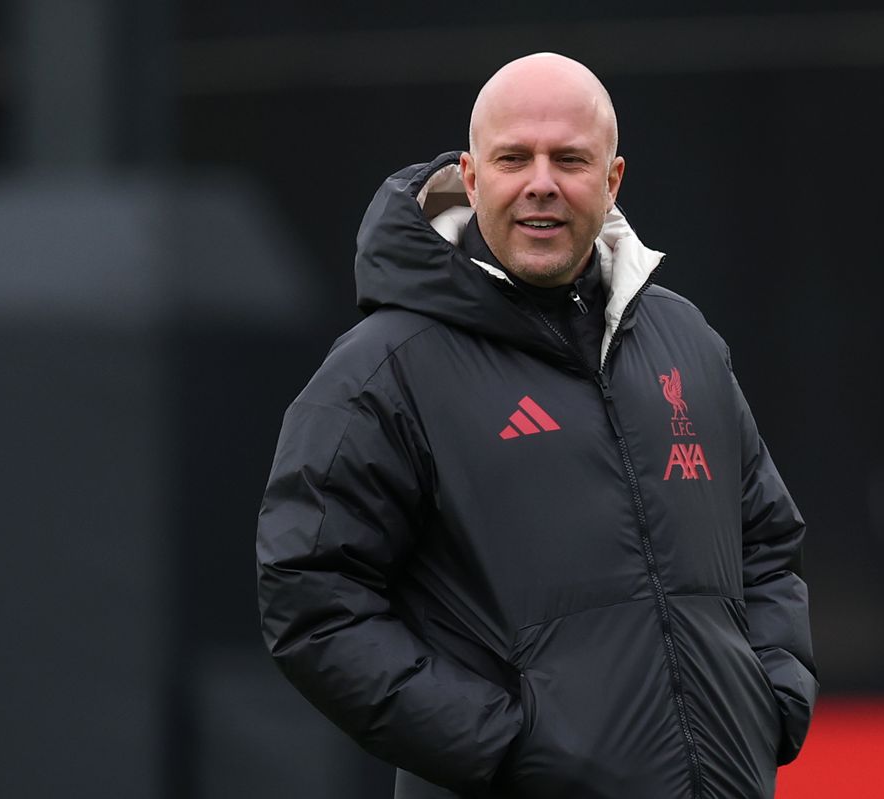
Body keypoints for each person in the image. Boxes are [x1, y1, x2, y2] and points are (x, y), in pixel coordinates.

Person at [256, 53, 817, 799]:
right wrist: (501, 746)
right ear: (473, 173)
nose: (541, 183)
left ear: (612, 179)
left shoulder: (685, 340)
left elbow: (768, 542)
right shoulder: (383, 368)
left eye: (570, 159)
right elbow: (309, 596)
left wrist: (771, 695)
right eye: (515, 157)